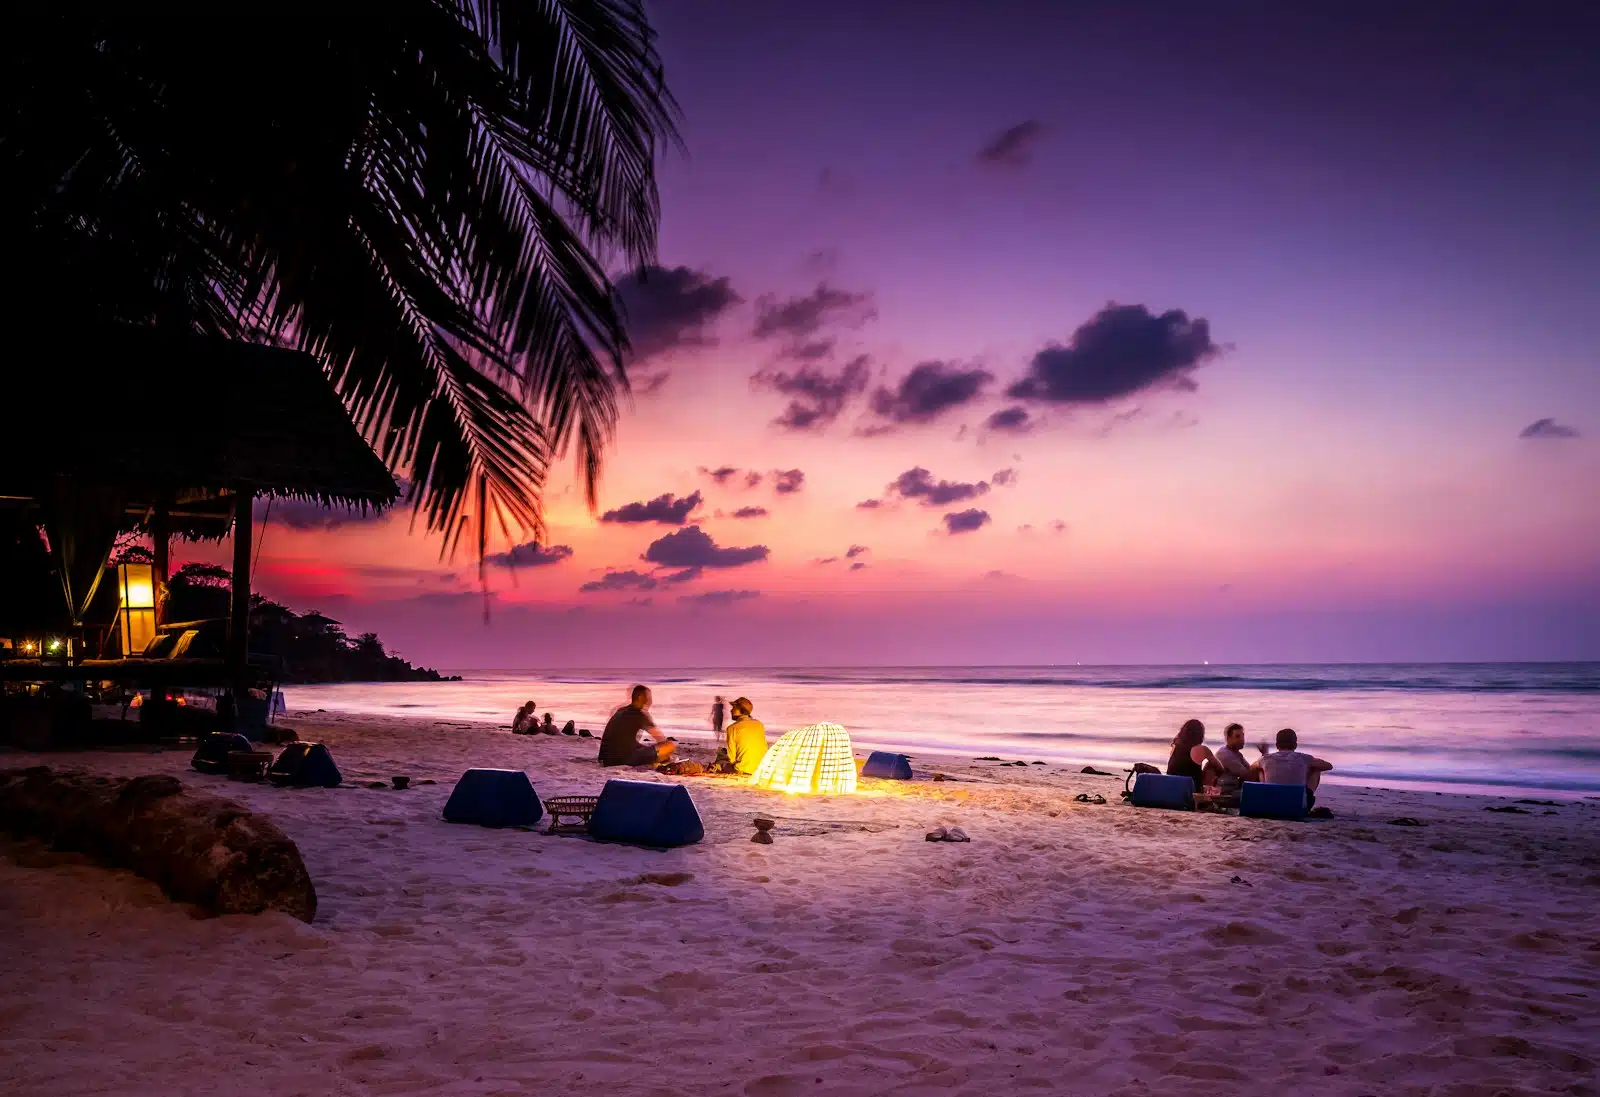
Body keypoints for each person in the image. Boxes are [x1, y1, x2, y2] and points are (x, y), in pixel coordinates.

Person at [598, 685, 676, 767]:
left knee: (643, 747)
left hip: (605, 759)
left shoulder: (621, 710)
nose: (650, 701)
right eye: (648, 697)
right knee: (669, 746)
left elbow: (622, 739)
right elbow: (661, 739)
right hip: (623, 759)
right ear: (640, 698)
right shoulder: (640, 715)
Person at [1257, 727, 1333, 810]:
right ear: (1295, 745)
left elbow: (1251, 768)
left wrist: (1264, 755)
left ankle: (1265, 794)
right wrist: (1307, 767)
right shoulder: (1304, 758)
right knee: (1316, 769)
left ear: (1277, 745)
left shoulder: (1265, 758)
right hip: (1299, 805)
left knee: (1260, 769)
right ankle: (1306, 799)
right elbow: (1328, 766)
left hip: (1270, 803)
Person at [1165, 718, 1222, 790]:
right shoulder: (1202, 749)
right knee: (1210, 765)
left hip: (1172, 789)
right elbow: (1220, 768)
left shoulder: (1175, 748)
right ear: (1200, 734)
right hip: (1192, 791)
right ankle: (1208, 793)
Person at [723, 696, 767, 775]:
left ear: (741, 710)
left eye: (734, 708)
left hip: (743, 770)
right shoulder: (759, 724)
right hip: (760, 768)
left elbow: (731, 758)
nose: (731, 710)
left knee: (721, 761)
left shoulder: (732, 728)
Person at [1213, 723, 1257, 794]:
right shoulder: (1225, 754)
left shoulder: (1236, 753)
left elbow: (1250, 770)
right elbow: (1248, 776)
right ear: (1228, 738)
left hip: (1233, 790)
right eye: (1237, 736)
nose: (1242, 739)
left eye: (1243, 736)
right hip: (1225, 793)